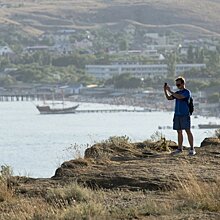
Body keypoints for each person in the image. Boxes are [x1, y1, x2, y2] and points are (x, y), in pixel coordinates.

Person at [164, 77, 196, 156]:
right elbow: (169, 98)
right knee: (179, 131)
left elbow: (180, 97)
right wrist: (165, 90)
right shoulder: (177, 92)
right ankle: (179, 148)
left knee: (188, 131)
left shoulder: (187, 92)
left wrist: (170, 91)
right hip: (177, 114)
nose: (177, 86)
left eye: (178, 84)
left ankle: (192, 148)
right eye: (176, 84)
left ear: (183, 84)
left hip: (185, 114)